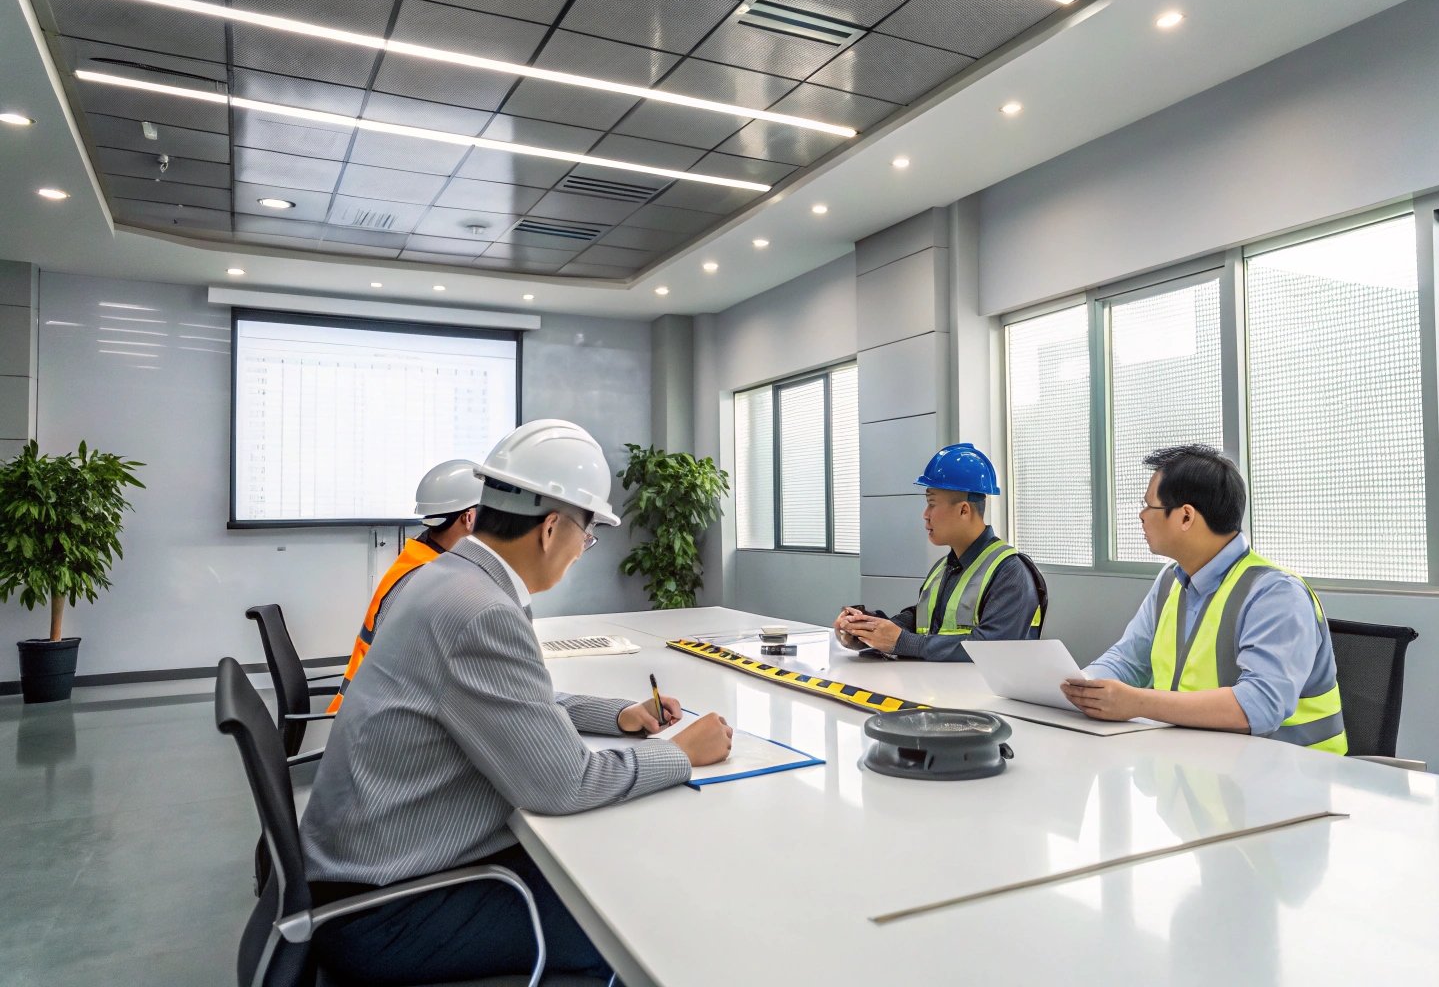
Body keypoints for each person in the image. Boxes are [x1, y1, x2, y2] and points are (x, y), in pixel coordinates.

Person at [300, 419, 735, 984]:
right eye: (588, 536)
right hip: (385, 909)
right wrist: (680, 752)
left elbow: (521, 703)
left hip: (372, 867)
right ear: (551, 529)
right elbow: (564, 784)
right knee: (633, 916)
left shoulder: (448, 578)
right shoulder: (480, 610)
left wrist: (617, 715)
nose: (581, 552)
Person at [1062, 444, 1347, 753]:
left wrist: (1137, 703)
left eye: (1149, 506)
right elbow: (1128, 660)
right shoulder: (1170, 580)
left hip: (1293, 772)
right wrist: (1078, 687)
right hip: (1201, 763)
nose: (1141, 516)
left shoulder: (1276, 594)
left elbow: (1260, 705)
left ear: (1186, 516)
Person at [832, 442, 1047, 662]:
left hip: (978, 685)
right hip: (938, 682)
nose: (925, 514)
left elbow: (992, 647)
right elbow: (921, 621)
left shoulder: (1010, 572)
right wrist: (867, 630)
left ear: (964, 510)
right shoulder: (945, 567)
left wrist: (903, 642)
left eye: (932, 503)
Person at [327, 458, 481, 712]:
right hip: (371, 718)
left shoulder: (421, 557)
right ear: (469, 518)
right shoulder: (428, 579)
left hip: (367, 706)